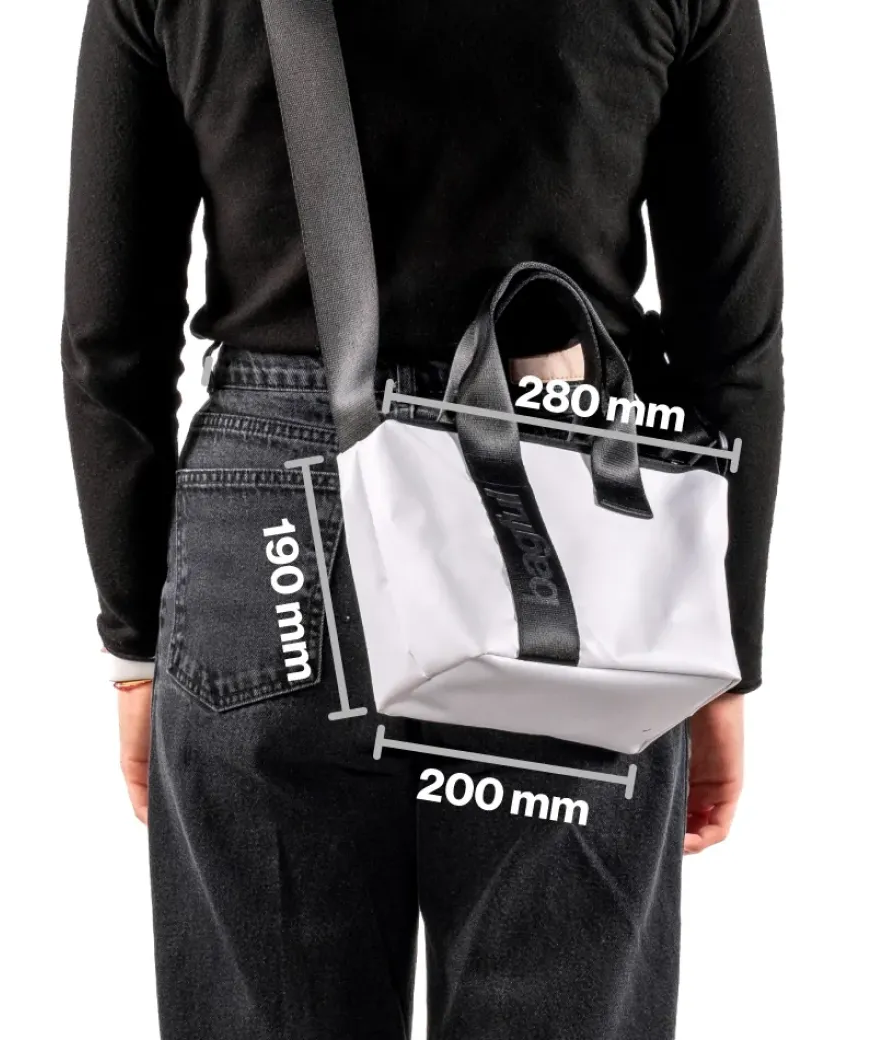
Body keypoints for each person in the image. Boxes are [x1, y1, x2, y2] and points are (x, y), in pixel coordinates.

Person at [62, 0, 783, 1037]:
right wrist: (721, 655)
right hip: (561, 525)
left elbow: (108, 345)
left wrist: (135, 642)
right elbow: (735, 351)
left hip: (272, 534)